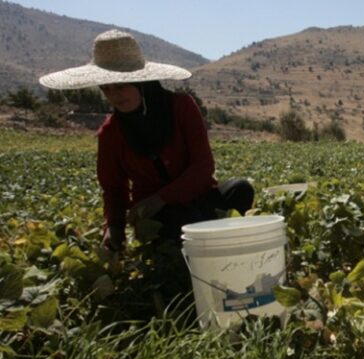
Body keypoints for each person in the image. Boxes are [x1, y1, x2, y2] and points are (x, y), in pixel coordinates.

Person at [39, 30, 254, 251]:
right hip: (156, 214)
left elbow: (203, 166)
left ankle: (213, 235)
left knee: (240, 189)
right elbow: (114, 188)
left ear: (142, 83)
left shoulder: (181, 107)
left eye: (121, 86)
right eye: (106, 88)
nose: (114, 95)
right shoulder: (111, 133)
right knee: (181, 221)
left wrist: (162, 197)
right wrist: (114, 228)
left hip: (198, 196)